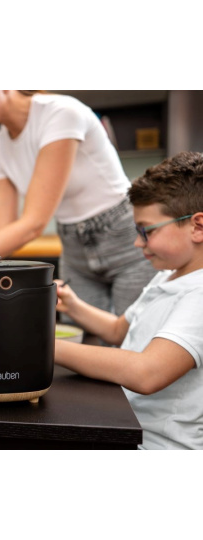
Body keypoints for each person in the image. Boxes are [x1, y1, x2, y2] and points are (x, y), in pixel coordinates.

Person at [0, 91, 157, 316]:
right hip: (73, 247)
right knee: (82, 336)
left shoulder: (61, 114)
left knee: (135, 335)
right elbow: (3, 237)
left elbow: (34, 224)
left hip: (127, 238)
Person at [55, 151, 203, 449]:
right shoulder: (168, 276)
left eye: (146, 231)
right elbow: (119, 330)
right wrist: (72, 304)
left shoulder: (198, 293)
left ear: (197, 227)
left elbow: (147, 372)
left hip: (159, 446)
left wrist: (40, 346)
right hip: (127, 424)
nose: (137, 242)